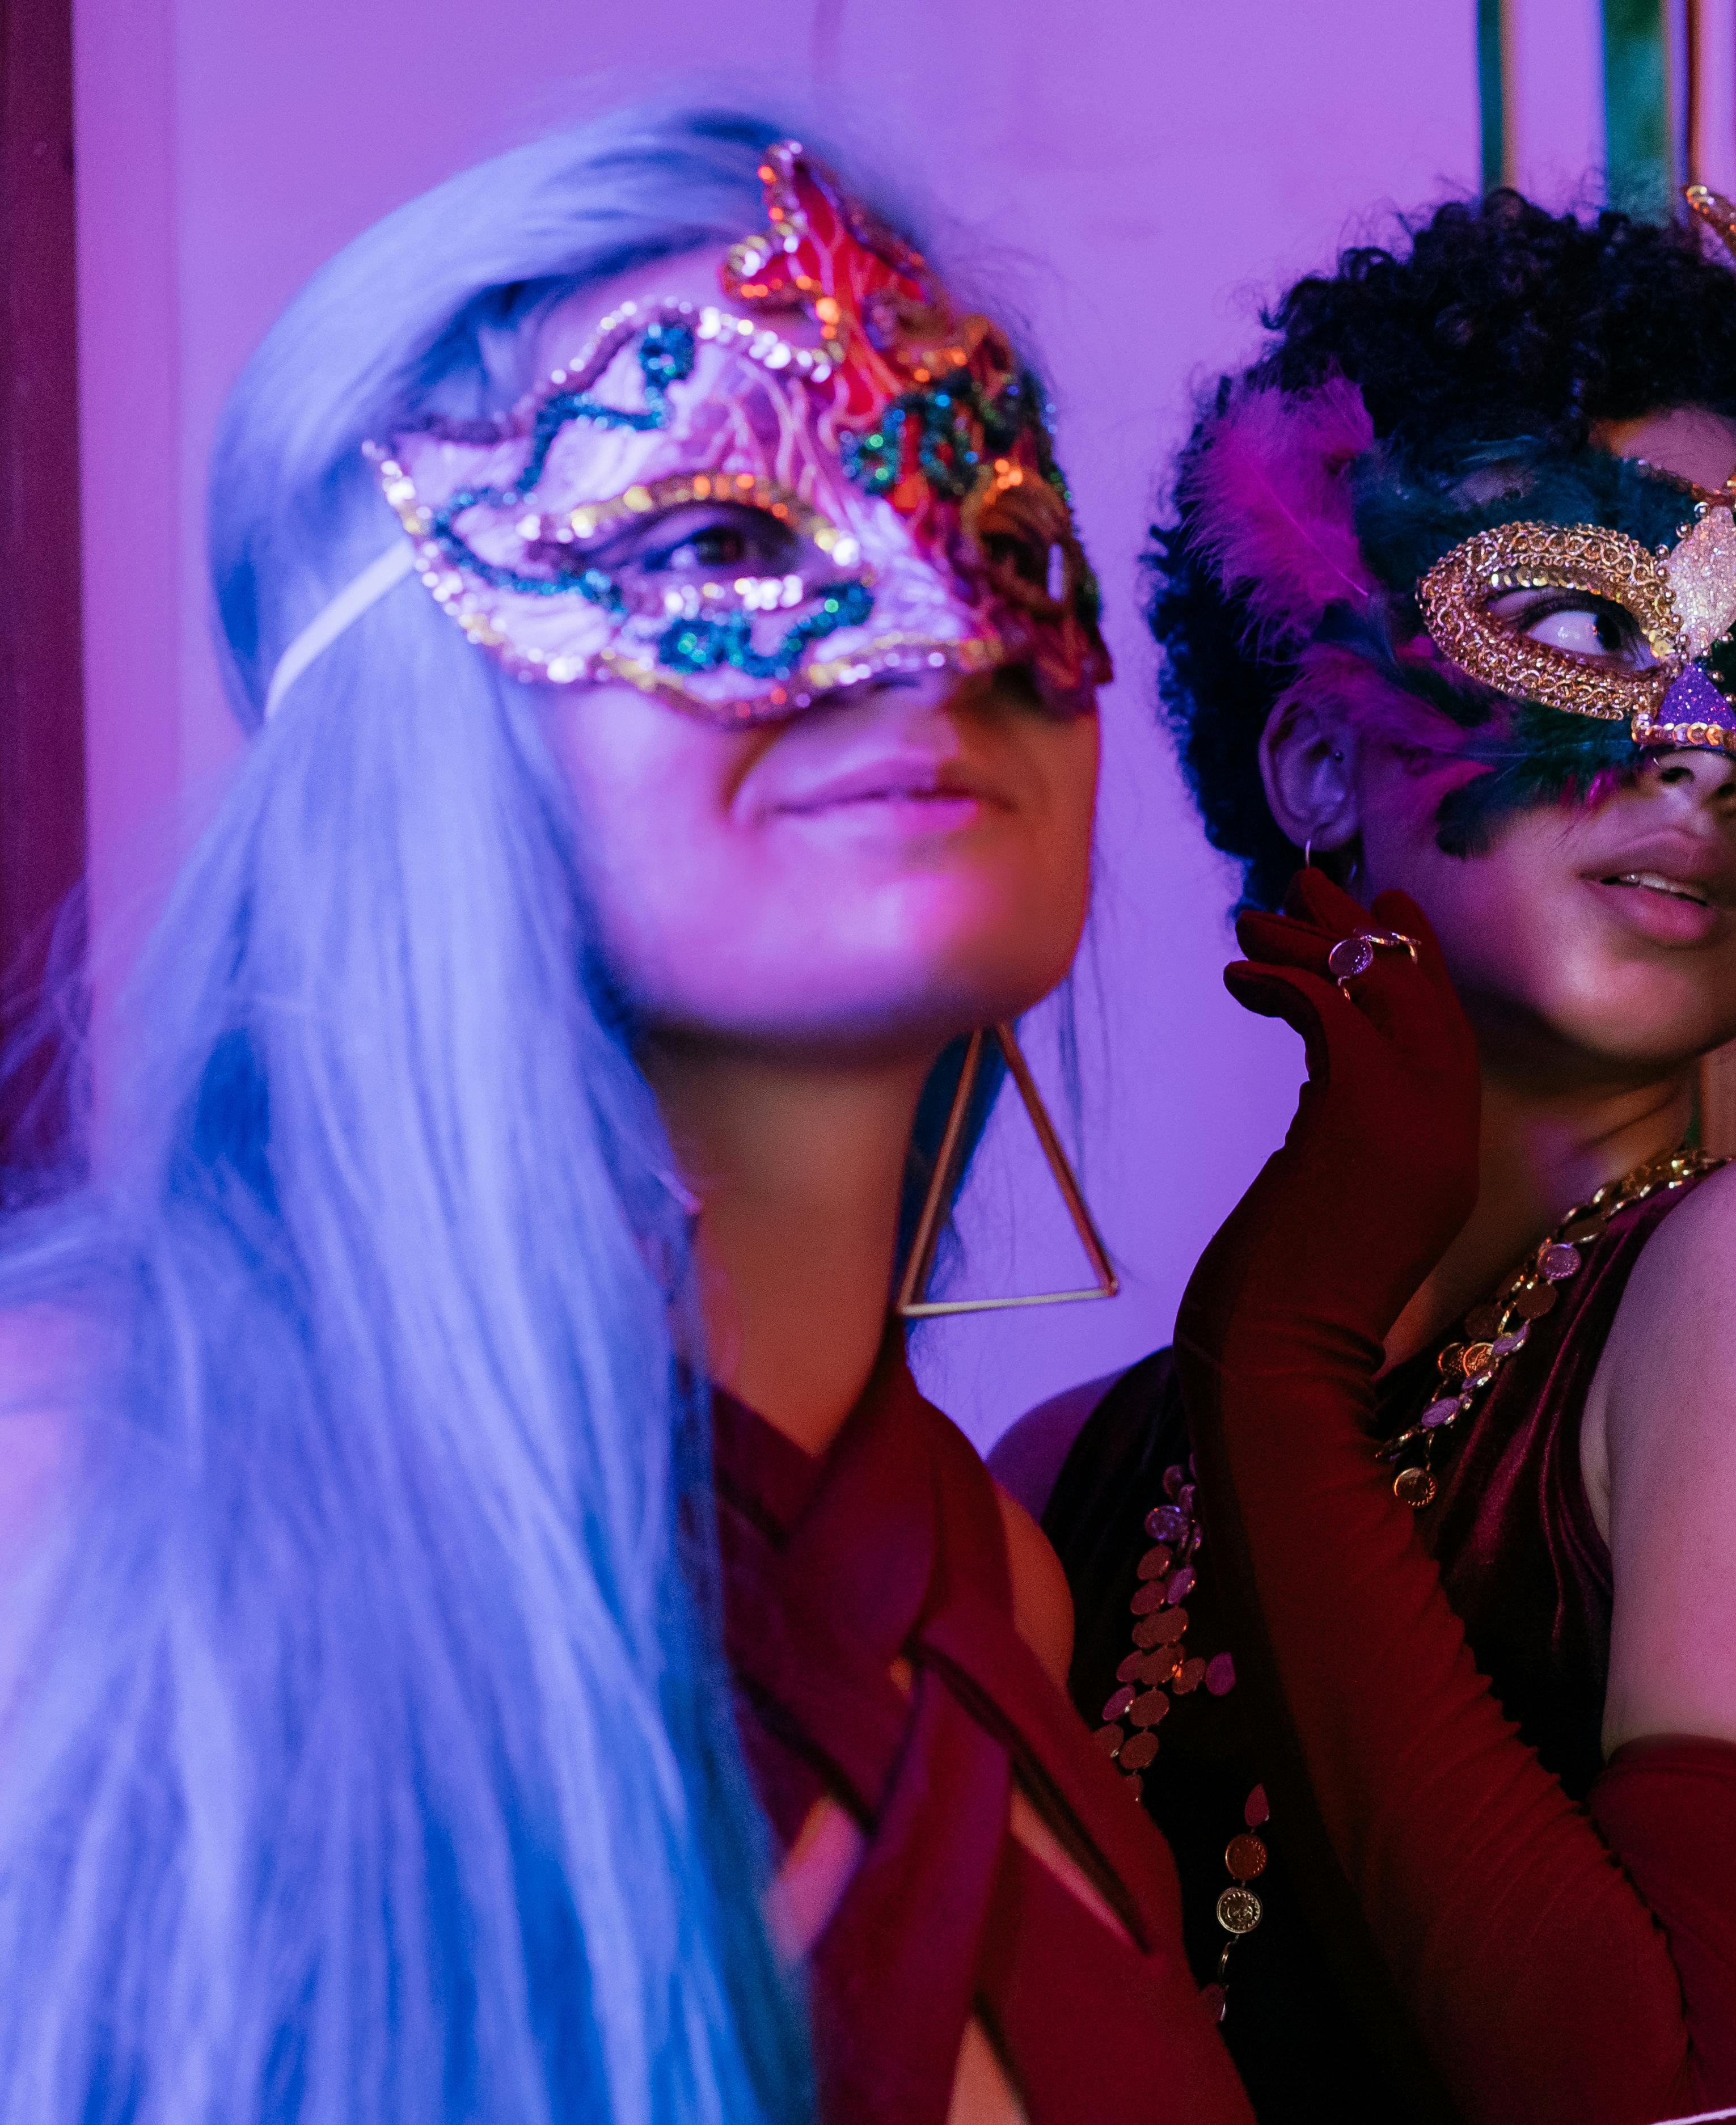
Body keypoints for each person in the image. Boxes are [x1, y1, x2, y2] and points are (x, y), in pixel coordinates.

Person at [0, 108, 1249, 2125]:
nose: (929, 632)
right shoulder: (80, 1486)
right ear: (413, 694)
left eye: (999, 529)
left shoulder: (995, 1590)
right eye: (720, 539)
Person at [994, 187, 1736, 2122]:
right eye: (1575, 623)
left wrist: (1278, 1360)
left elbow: (1691, 2099)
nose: (1707, 753)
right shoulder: (1060, 1471)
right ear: (1310, 760)